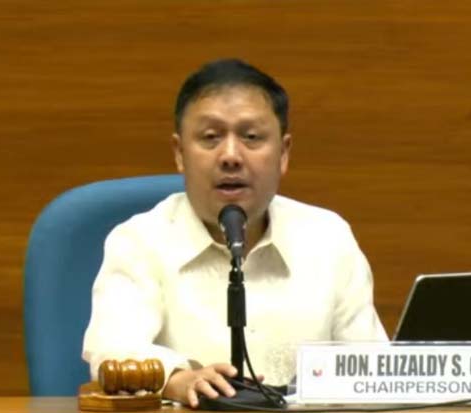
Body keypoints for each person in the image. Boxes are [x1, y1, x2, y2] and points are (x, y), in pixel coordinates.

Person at [82, 58, 388, 407]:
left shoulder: (328, 238)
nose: (230, 156)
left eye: (251, 137)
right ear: (180, 154)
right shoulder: (139, 241)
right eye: (210, 138)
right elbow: (113, 350)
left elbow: (372, 371)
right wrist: (177, 380)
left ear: (283, 153)